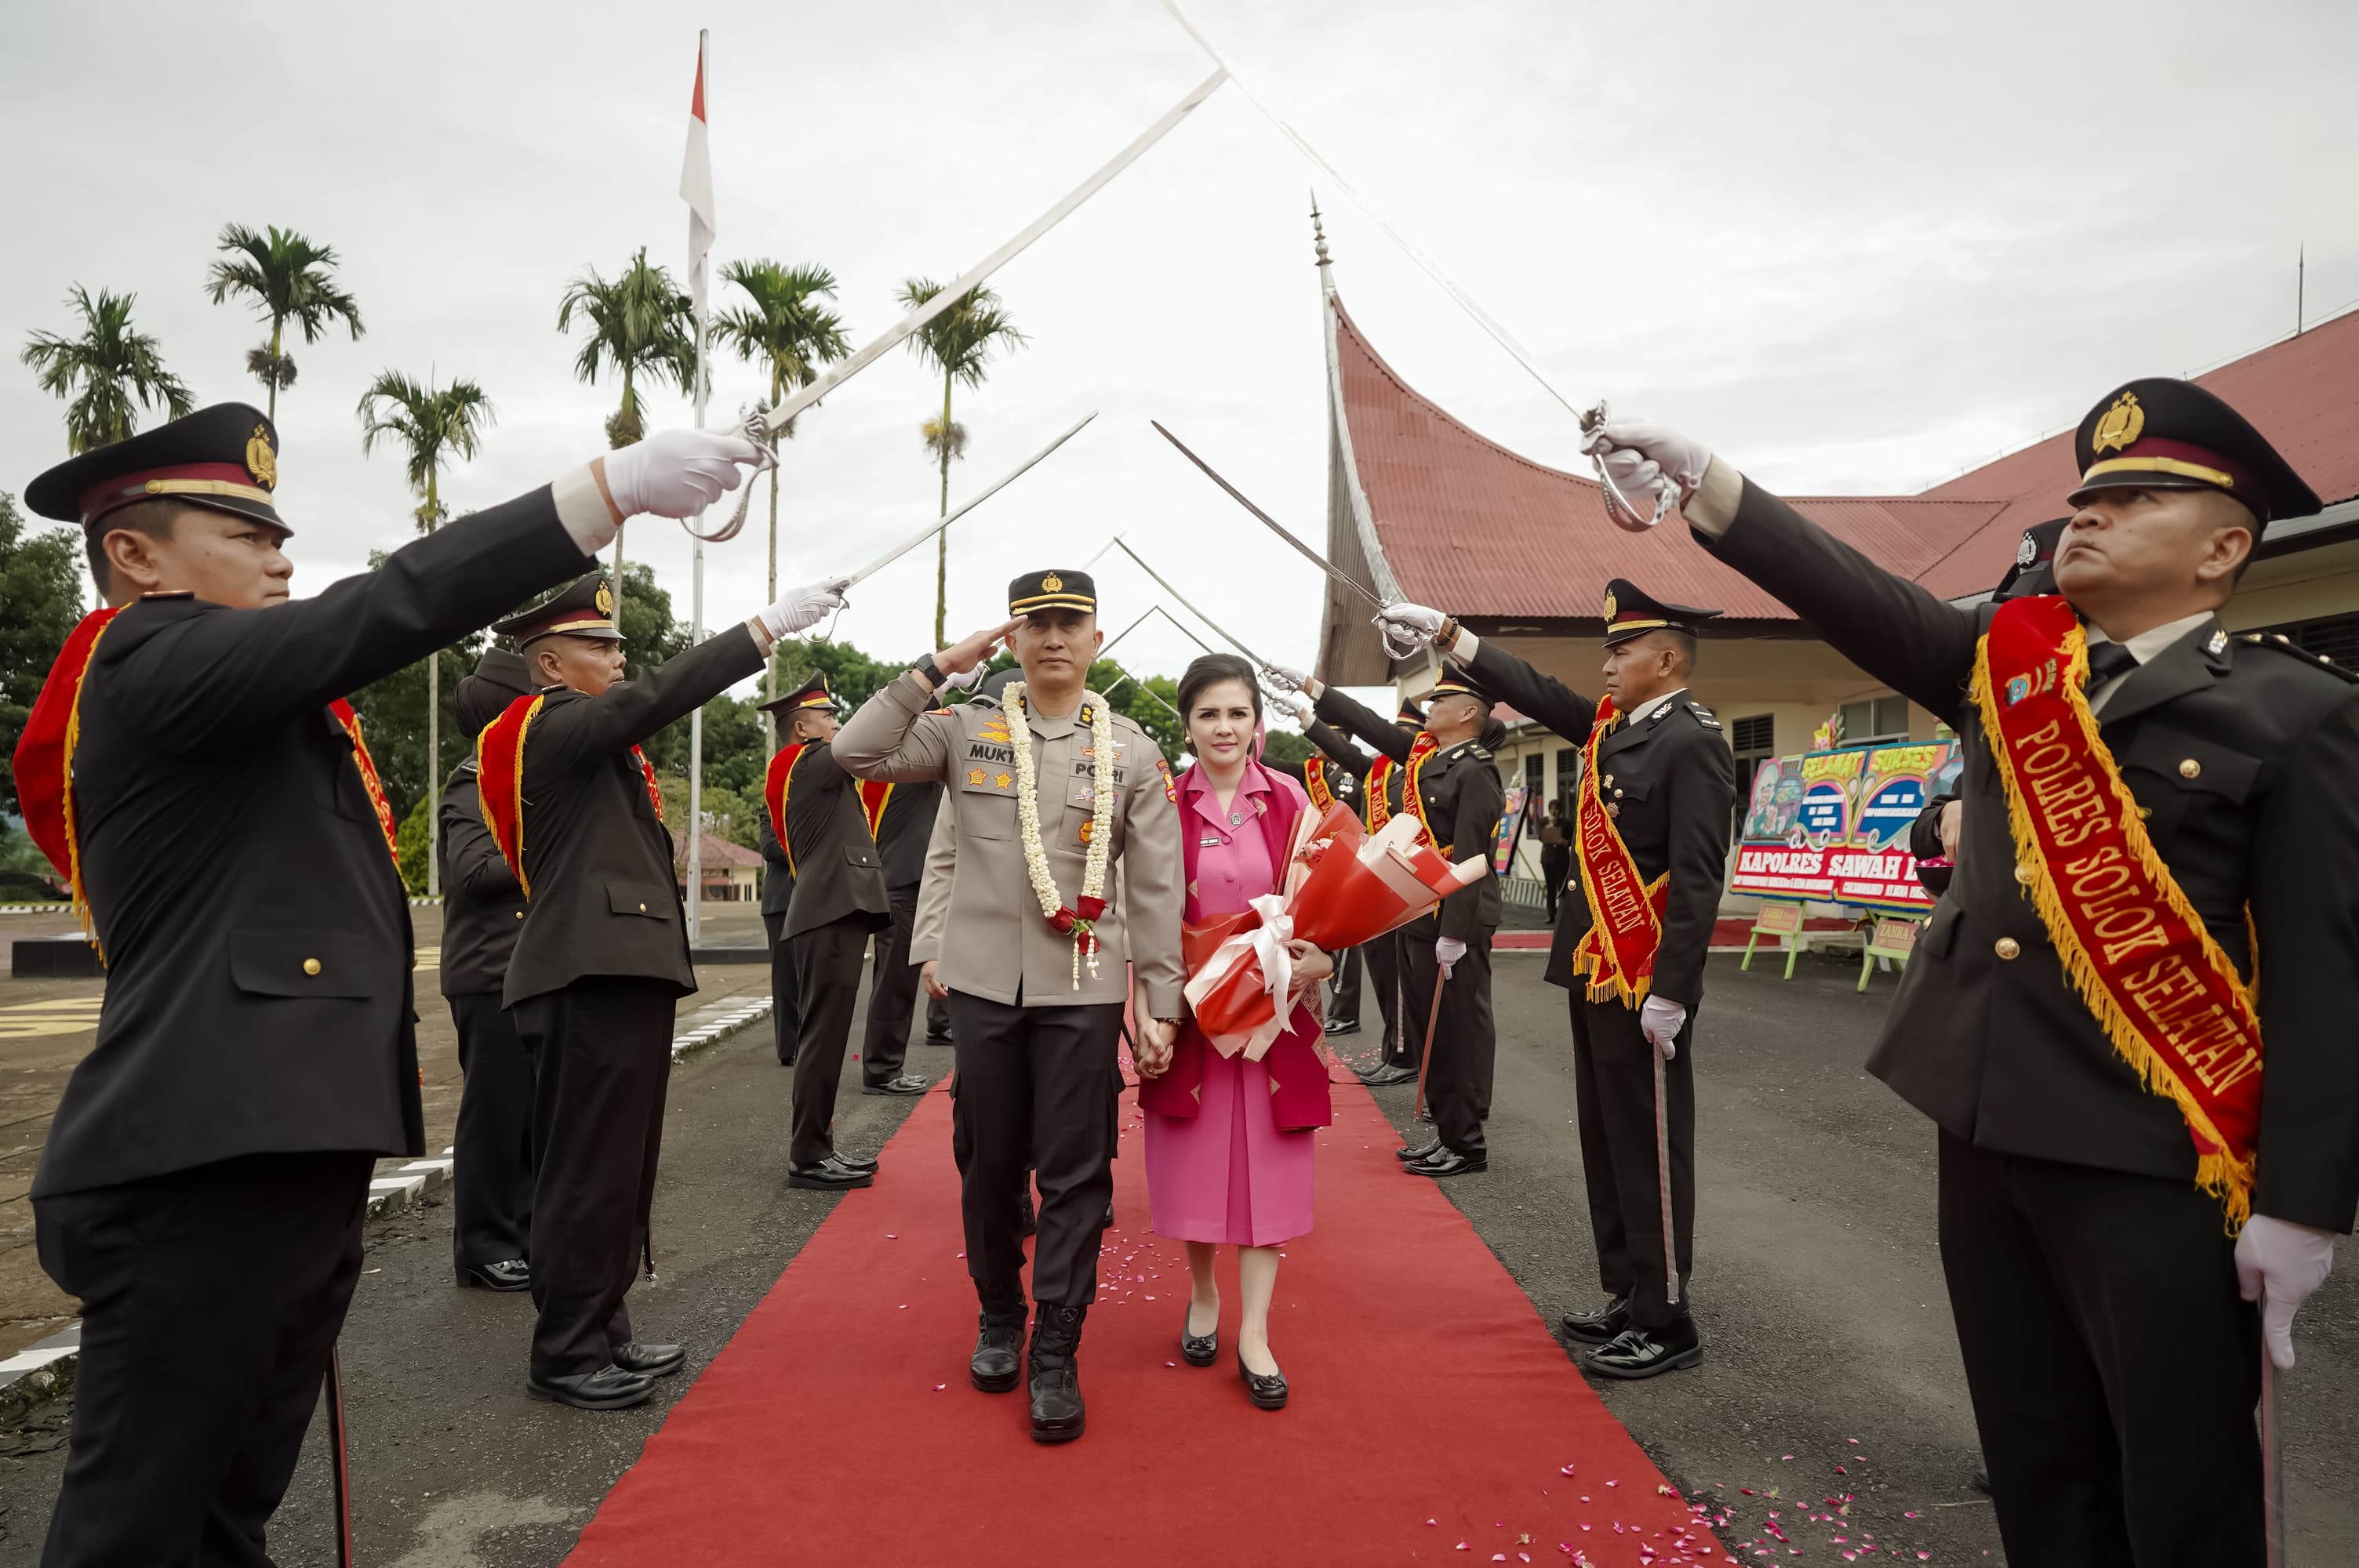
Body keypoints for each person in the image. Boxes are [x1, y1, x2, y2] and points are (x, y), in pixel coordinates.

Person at [1587, 379, 2355, 1560]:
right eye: (2086, 496)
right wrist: (1707, 479)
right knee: (2036, 1459)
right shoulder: (2012, 666)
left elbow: (2324, 979)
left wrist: (2305, 1205)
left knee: (2182, 1478)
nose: (2090, 515)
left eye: (2136, 497)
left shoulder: (2295, 713)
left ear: (2225, 549)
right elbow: (1858, 596)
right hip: (1983, 1124)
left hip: (2154, 1159)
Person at [10, 401, 754, 1563]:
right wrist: (598, 495)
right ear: (135, 553)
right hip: (203, 1158)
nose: (282, 556)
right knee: (136, 1525)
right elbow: (388, 606)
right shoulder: (145, 660)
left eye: (280, 534)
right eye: (244, 532)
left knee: (226, 1506)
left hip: (284, 1142)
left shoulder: (260, 717)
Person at [488, 566, 849, 1411]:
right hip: (586, 974)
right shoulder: (550, 723)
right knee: (586, 1169)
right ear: (547, 664)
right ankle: (567, 1348)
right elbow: (651, 697)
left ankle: (602, 1323)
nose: (618, 658)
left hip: (619, 969)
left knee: (622, 1166)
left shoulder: (588, 739)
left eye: (619, 644)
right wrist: (761, 629)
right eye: (598, 643)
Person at [835, 570, 1183, 1445]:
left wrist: (1160, 1000)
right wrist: (935, 668)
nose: (1055, 637)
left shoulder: (1133, 749)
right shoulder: (965, 730)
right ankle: (999, 1312)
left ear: (1097, 639)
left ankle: (1056, 1346)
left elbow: (1153, 884)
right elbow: (856, 752)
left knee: (1077, 1172)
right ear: (1014, 638)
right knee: (988, 1162)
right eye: (1037, 623)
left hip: (1085, 984)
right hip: (987, 983)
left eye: (1071, 622)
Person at [1379, 583, 1737, 1376]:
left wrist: (1674, 988)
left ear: (1666, 659)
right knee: (1606, 1140)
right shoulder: (1617, 728)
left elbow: (1698, 875)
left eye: (1621, 651)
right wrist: (1450, 634)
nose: (1607, 665)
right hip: (1592, 966)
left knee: (1648, 1147)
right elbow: (1537, 689)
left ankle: (1666, 1317)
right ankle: (1627, 1294)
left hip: (1643, 977)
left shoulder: (1691, 740)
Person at [1136, 655, 1333, 1411]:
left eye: (1238, 714)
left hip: (1274, 1019)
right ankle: (1202, 1294)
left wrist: (1324, 953)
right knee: (1196, 1159)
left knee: (1268, 1169)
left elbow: (1326, 905)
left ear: (1259, 722)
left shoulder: (1290, 801)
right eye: (1209, 714)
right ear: (1186, 724)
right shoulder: (1160, 803)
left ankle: (1255, 1331)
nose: (1224, 728)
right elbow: (1142, 907)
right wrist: (1147, 1006)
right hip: (1191, 1017)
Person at [1272, 666, 1506, 1176]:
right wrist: (1314, 698)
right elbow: (1371, 736)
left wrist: (1453, 933)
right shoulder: (1431, 760)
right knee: (1429, 1029)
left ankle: (1467, 1144)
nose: (1430, 707)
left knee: (1454, 1032)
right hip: (1420, 908)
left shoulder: (1475, 768)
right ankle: (1447, 1132)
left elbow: (1471, 858)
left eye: (1440, 700)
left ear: (1468, 713)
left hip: (1453, 920)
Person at [758, 674, 898, 1192]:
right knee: (822, 1038)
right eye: (827, 715)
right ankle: (809, 1155)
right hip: (830, 910)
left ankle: (817, 1147)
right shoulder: (807, 761)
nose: (837, 722)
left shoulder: (812, 766)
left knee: (828, 1037)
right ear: (802, 727)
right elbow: (871, 730)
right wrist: (931, 676)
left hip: (833, 909)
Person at [440, 647, 540, 1293]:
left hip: (529, 968)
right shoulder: (471, 782)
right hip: (489, 972)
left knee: (533, 1117)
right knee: (496, 1117)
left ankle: (526, 1234)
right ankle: (482, 1244)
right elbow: (476, 872)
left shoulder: (523, 781)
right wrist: (555, 847)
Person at [1273, 691, 1427, 1079]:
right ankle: (1395, 1051)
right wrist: (1307, 719)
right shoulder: (1380, 774)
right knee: (1383, 972)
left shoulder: (1420, 772)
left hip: (1405, 884)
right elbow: (1343, 757)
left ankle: (1406, 1057)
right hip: (1371, 880)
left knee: (1401, 981)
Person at [856, 752, 945, 1098]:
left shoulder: (894, 765)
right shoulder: (909, 763)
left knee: (896, 979)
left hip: (910, 882)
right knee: (895, 981)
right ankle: (881, 1069)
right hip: (904, 886)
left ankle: (885, 1065)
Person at [757, 808, 801, 1067]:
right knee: (785, 978)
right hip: (782, 901)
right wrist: (808, 851)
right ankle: (789, 1046)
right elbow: (770, 848)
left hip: (814, 899)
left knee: (812, 977)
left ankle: (811, 1042)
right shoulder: (773, 805)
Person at [1539, 801, 1572, 923]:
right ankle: (1551, 914)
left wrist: (1565, 842)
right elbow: (1540, 837)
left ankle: (1563, 914)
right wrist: (1549, 826)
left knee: (1562, 887)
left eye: (1556, 809)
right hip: (1547, 859)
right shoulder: (1543, 821)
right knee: (1550, 887)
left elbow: (1572, 839)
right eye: (1552, 809)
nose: (1554, 811)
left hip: (1561, 859)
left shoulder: (1566, 822)